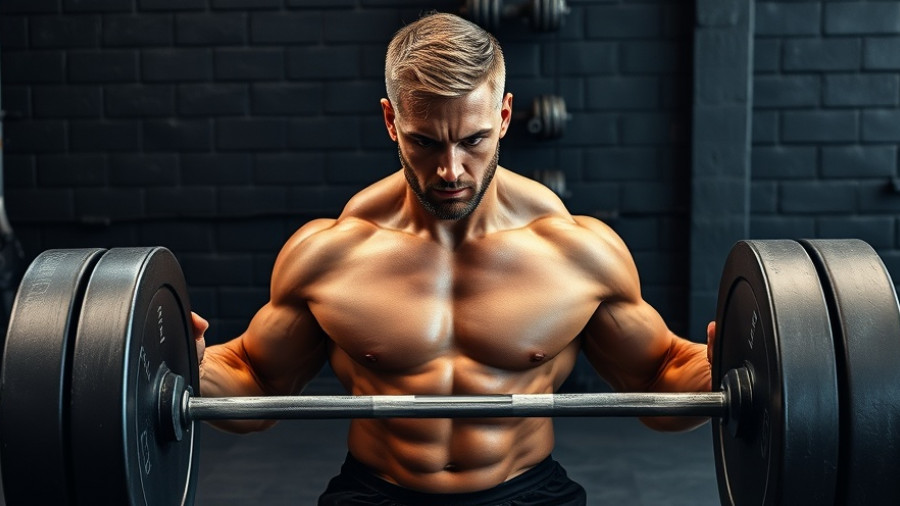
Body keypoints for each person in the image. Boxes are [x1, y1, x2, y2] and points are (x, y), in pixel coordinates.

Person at [193, 11, 713, 506]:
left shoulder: (576, 252)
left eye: (473, 140)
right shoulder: (331, 253)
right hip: (377, 493)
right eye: (425, 142)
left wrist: (728, 366)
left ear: (504, 117)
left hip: (526, 492)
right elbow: (257, 385)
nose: (451, 170)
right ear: (391, 121)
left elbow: (659, 379)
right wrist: (183, 365)